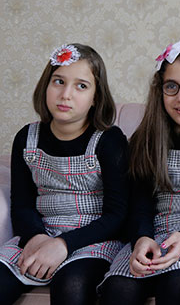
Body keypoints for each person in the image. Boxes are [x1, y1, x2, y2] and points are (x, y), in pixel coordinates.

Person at [99, 41, 180, 305]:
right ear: (160, 90)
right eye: (171, 86)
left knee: (175, 286)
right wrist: (142, 239)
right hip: (155, 234)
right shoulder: (146, 139)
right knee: (119, 289)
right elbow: (140, 204)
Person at [0, 44, 128, 305]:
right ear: (46, 86)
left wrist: (63, 244)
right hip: (41, 233)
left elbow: (118, 214)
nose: (65, 94)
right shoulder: (26, 137)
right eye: (58, 81)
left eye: (81, 86)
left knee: (71, 285)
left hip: (92, 239)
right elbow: (22, 204)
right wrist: (37, 238)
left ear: (95, 97)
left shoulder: (109, 140)